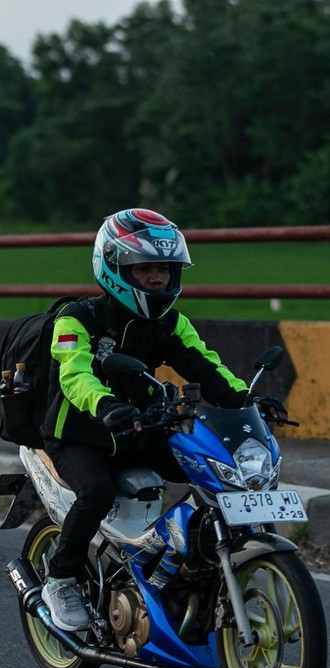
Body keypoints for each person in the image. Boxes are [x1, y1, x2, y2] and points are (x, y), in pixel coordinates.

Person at [39, 208, 287, 631]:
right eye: (144, 269)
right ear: (116, 268)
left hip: (142, 429)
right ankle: (61, 578)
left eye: (164, 270)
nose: (156, 279)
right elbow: (74, 375)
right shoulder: (77, 319)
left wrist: (248, 400)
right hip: (81, 435)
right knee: (96, 493)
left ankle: (193, 564)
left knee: (212, 471)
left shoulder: (169, 323)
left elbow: (207, 366)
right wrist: (105, 406)